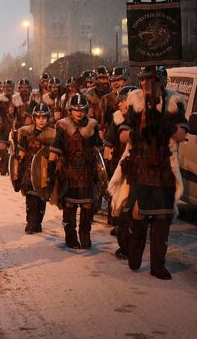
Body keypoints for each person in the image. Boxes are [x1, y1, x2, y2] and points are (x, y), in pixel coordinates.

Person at [114, 66, 187, 279]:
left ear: (161, 82)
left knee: (162, 221)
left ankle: (158, 265)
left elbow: (183, 134)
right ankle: (134, 256)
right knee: (138, 217)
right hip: (139, 166)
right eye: (143, 80)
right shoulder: (135, 102)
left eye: (150, 80)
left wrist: (168, 128)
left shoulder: (174, 104)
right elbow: (122, 135)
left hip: (164, 168)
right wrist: (136, 135)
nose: (145, 84)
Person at [47, 93, 102, 250]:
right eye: (76, 110)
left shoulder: (92, 125)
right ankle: (70, 237)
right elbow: (55, 148)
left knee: (87, 206)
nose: (79, 113)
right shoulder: (62, 125)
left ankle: (85, 235)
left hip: (87, 170)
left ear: (86, 110)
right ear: (70, 110)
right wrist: (51, 170)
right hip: (68, 170)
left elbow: (99, 149)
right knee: (69, 205)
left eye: (82, 110)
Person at [103, 85, 138, 259]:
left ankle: (134, 240)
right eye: (121, 102)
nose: (121, 105)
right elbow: (108, 147)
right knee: (123, 208)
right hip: (120, 170)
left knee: (136, 209)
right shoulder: (116, 121)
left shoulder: (140, 120)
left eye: (125, 101)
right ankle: (125, 246)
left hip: (138, 170)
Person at [12, 103, 56, 234]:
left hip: (45, 170)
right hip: (29, 169)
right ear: (34, 118)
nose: (41, 120)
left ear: (48, 119)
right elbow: (21, 153)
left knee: (41, 199)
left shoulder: (53, 135)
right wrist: (17, 171)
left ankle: (38, 222)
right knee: (31, 199)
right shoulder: (27, 133)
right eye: (38, 117)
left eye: (44, 117)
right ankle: (31, 222)